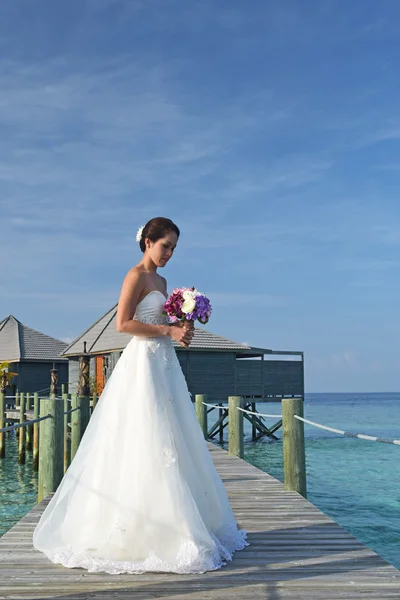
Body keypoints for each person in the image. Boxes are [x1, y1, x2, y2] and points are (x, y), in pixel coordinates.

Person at [33, 217, 248, 574]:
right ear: (147, 241)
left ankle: (183, 522)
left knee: (175, 437)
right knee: (146, 435)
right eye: (165, 246)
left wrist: (183, 327)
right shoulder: (135, 276)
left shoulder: (163, 282)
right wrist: (166, 328)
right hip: (142, 364)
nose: (169, 254)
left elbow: (165, 325)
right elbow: (124, 324)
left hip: (164, 364)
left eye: (174, 248)